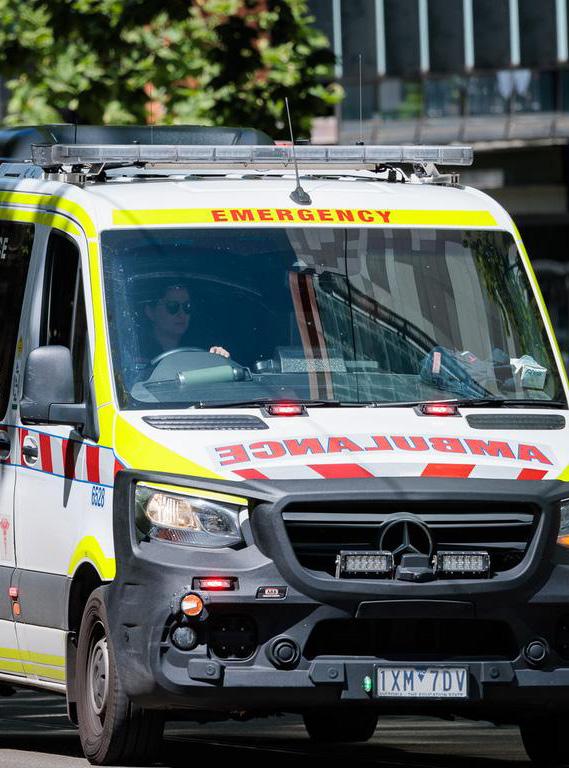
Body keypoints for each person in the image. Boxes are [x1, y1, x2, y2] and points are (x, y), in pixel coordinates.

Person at [143, 283, 230, 361]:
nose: (181, 314)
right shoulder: (139, 351)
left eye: (187, 306)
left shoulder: (203, 348)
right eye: (172, 306)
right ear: (150, 312)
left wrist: (220, 358)